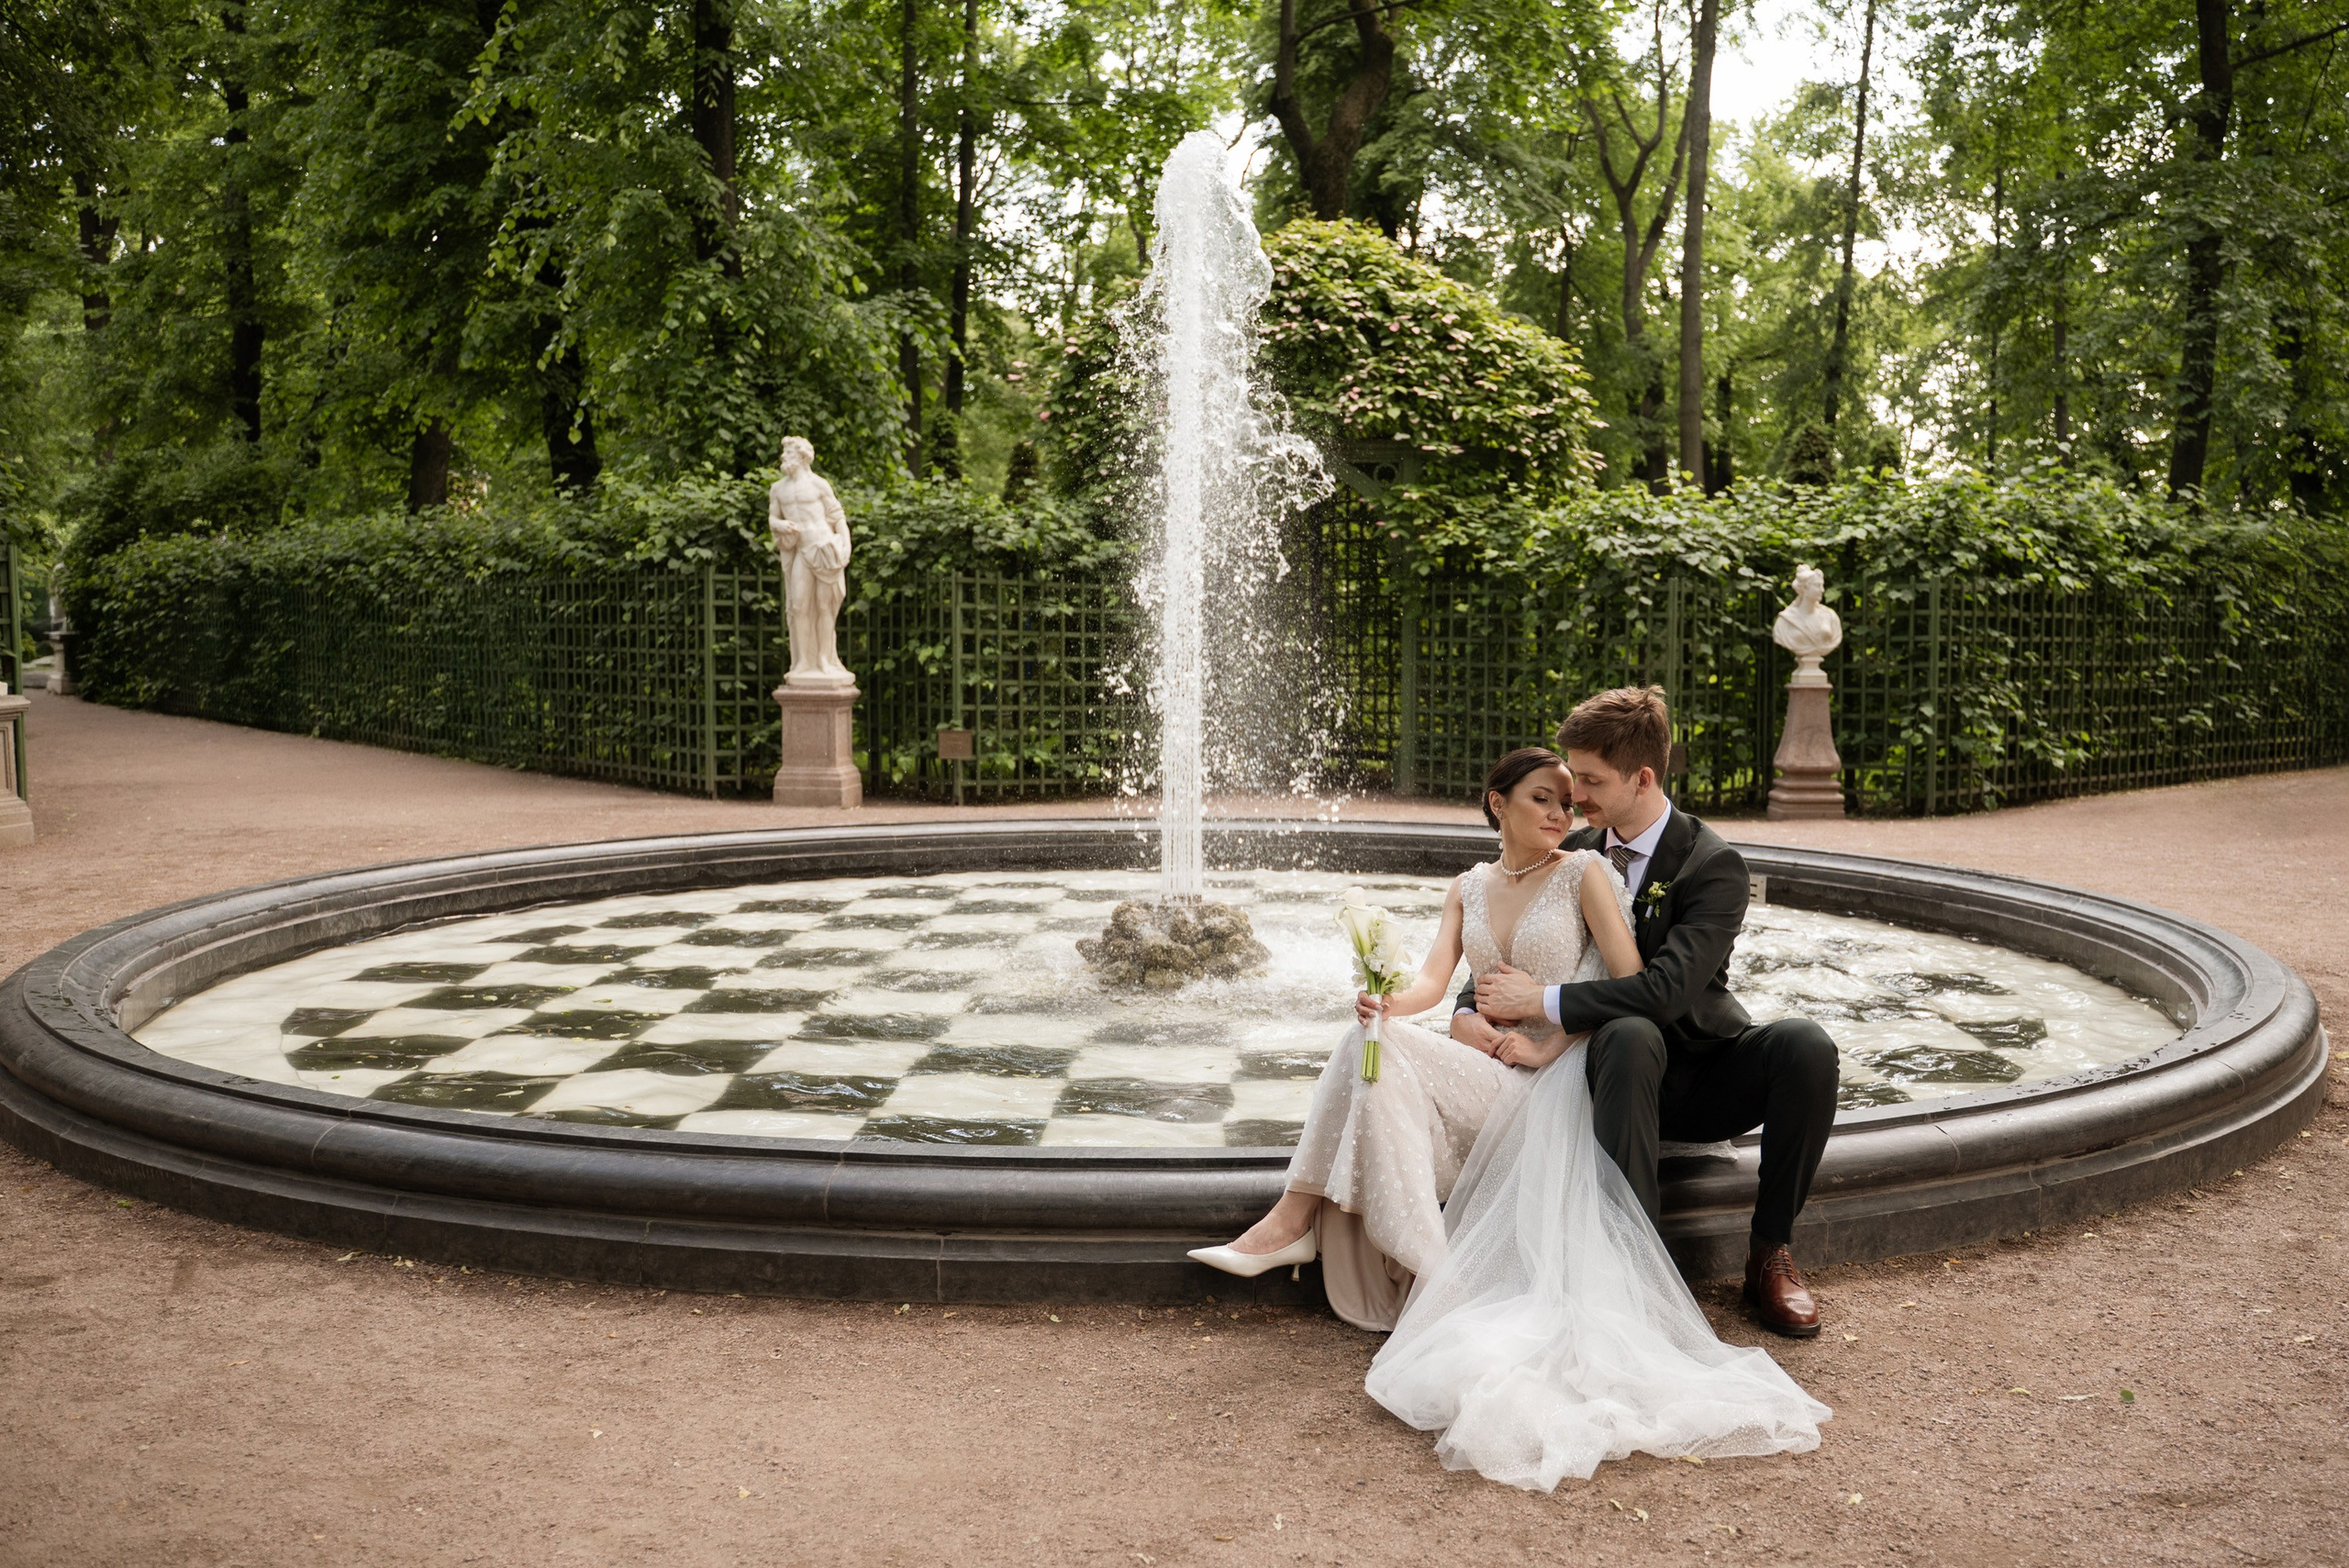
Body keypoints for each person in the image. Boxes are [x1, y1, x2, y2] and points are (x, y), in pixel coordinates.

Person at [1187, 747, 1642, 1331]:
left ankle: (1302, 1223)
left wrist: (1548, 1045)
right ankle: (1421, 1268)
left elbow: (1627, 983)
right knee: (1371, 1037)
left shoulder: (1583, 873)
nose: (1560, 814)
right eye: (1542, 799)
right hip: (1487, 1074)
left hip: (1549, 1085)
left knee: (1376, 1051)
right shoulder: (1468, 887)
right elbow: (1431, 983)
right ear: (1498, 803)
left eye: (1566, 804)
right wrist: (1386, 1003)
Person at [1461, 685, 1841, 1338]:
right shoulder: (1571, 849)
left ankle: (1769, 1253)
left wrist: (1543, 1001)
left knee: (1806, 1046)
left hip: (1696, 1072)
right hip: (1602, 1070)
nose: (1574, 795)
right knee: (1629, 1036)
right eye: (1573, 776)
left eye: (1590, 780)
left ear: (1642, 778)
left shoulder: (1712, 864)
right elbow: (1505, 936)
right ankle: (1634, 1269)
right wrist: (1469, 1006)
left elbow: (1666, 991)